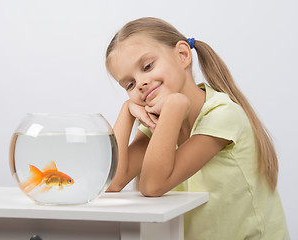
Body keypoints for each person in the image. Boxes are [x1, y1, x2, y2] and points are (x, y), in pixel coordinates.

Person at [105, 17, 289, 239]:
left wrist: (175, 104)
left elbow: (152, 186)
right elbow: (111, 182)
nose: (141, 83)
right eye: (129, 84)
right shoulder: (157, 124)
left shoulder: (222, 114)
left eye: (147, 66)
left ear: (182, 55)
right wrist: (126, 111)